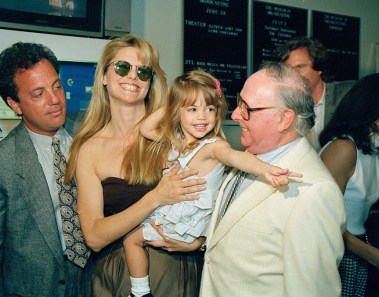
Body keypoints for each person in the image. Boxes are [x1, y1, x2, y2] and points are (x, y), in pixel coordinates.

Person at [123, 69, 301, 297]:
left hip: (183, 224)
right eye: (192, 109)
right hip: (173, 216)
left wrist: (267, 169)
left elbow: (237, 157)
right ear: (177, 112)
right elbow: (145, 129)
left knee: (131, 241)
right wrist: (174, 102)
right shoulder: (177, 142)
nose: (202, 117)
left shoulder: (212, 146)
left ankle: (139, 293)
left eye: (210, 109)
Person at [64, 34, 207, 297]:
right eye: (122, 67)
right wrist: (155, 197)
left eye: (143, 71)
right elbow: (94, 237)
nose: (132, 77)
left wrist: (200, 242)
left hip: (175, 271)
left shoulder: (175, 135)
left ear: (150, 82)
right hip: (116, 276)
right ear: (104, 76)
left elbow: (211, 195)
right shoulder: (89, 149)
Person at [199, 61, 347, 297]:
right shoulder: (250, 155)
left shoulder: (315, 192)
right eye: (239, 102)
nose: (236, 114)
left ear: (284, 119)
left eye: (247, 108)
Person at [0, 42, 92, 296]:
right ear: (15, 104)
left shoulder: (91, 128)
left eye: (56, 86)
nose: (55, 99)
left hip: (98, 281)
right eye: (38, 94)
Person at [319, 73, 379, 297]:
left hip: (357, 255)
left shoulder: (376, 150)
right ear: (374, 107)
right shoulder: (343, 149)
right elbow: (324, 225)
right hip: (338, 258)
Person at [275, 36, 355, 150]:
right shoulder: (285, 105)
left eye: (300, 67)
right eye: (289, 69)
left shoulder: (346, 95)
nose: (293, 75)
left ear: (319, 67)